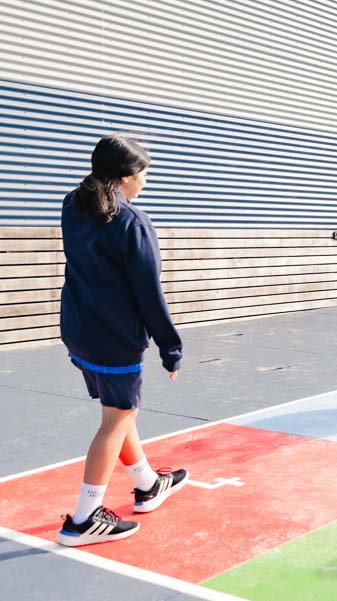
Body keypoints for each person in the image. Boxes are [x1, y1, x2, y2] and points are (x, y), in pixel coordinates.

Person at [57, 135, 188, 547]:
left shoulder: (72, 205)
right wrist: (171, 347)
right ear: (126, 177)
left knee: (120, 410)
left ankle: (148, 484)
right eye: (144, 173)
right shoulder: (132, 222)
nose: (146, 181)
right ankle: (84, 517)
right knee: (115, 419)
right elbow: (149, 292)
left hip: (79, 329)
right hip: (114, 338)